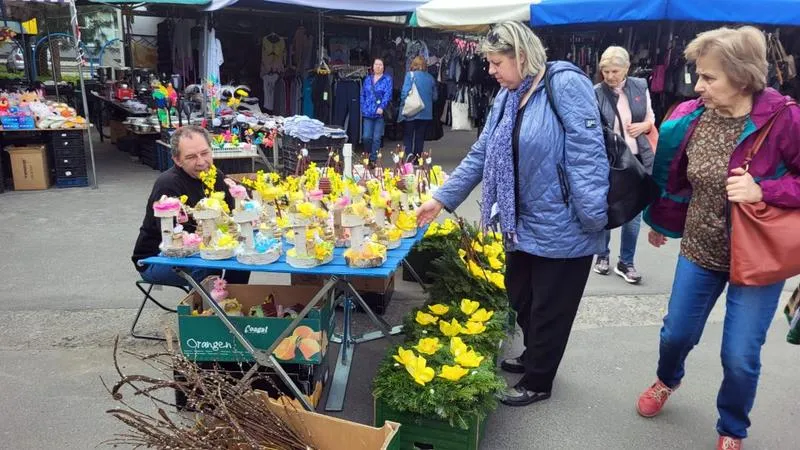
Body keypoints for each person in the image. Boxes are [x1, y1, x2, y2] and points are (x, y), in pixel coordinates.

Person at [416, 21, 609, 407]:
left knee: (550, 308)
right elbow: (482, 152)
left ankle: (539, 380)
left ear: (521, 56)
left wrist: (592, 221)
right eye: (488, 63)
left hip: (566, 222)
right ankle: (534, 355)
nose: (490, 71)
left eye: (496, 62)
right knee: (521, 294)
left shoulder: (564, 84)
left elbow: (589, 153)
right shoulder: (508, 95)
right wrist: (441, 199)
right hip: (521, 220)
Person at [635, 27, 800, 450]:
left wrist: (765, 190)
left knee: (740, 356)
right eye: (698, 75)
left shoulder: (785, 119)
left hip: (758, 256)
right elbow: (673, 176)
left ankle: (731, 428)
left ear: (743, 78)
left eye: (709, 77)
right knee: (676, 334)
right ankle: (667, 379)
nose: (697, 85)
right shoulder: (690, 116)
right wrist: (661, 221)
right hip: (699, 248)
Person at [132, 125, 250, 286]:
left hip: (205, 247)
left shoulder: (215, 175)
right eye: (191, 157)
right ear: (177, 160)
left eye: (205, 153)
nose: (201, 162)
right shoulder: (168, 184)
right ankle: (209, 300)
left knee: (244, 257)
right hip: (157, 258)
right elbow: (176, 237)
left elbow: (233, 212)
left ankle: (232, 298)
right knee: (208, 264)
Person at [593, 46, 657, 284]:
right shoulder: (596, 92)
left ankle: (626, 262)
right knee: (606, 207)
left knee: (633, 213)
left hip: (636, 159)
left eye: (615, 71)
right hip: (609, 160)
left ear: (627, 68)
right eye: (606, 71)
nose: (610, 76)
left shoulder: (640, 86)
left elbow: (650, 117)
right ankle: (602, 255)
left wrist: (645, 126)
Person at [399, 55, 438, 158]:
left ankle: (409, 156)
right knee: (420, 137)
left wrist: (403, 104)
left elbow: (404, 93)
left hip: (411, 111)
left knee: (408, 135)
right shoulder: (430, 78)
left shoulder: (410, 75)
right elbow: (435, 97)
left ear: (414, 64)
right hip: (425, 112)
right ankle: (417, 158)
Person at [360, 57, 393, 165]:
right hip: (368, 112)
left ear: (383, 67)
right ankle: (367, 155)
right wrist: (363, 107)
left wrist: (382, 107)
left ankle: (373, 160)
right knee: (366, 137)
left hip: (379, 113)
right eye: (376, 64)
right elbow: (363, 94)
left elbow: (388, 94)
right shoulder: (367, 79)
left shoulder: (387, 79)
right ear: (372, 67)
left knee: (377, 138)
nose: (378, 66)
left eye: (380, 65)